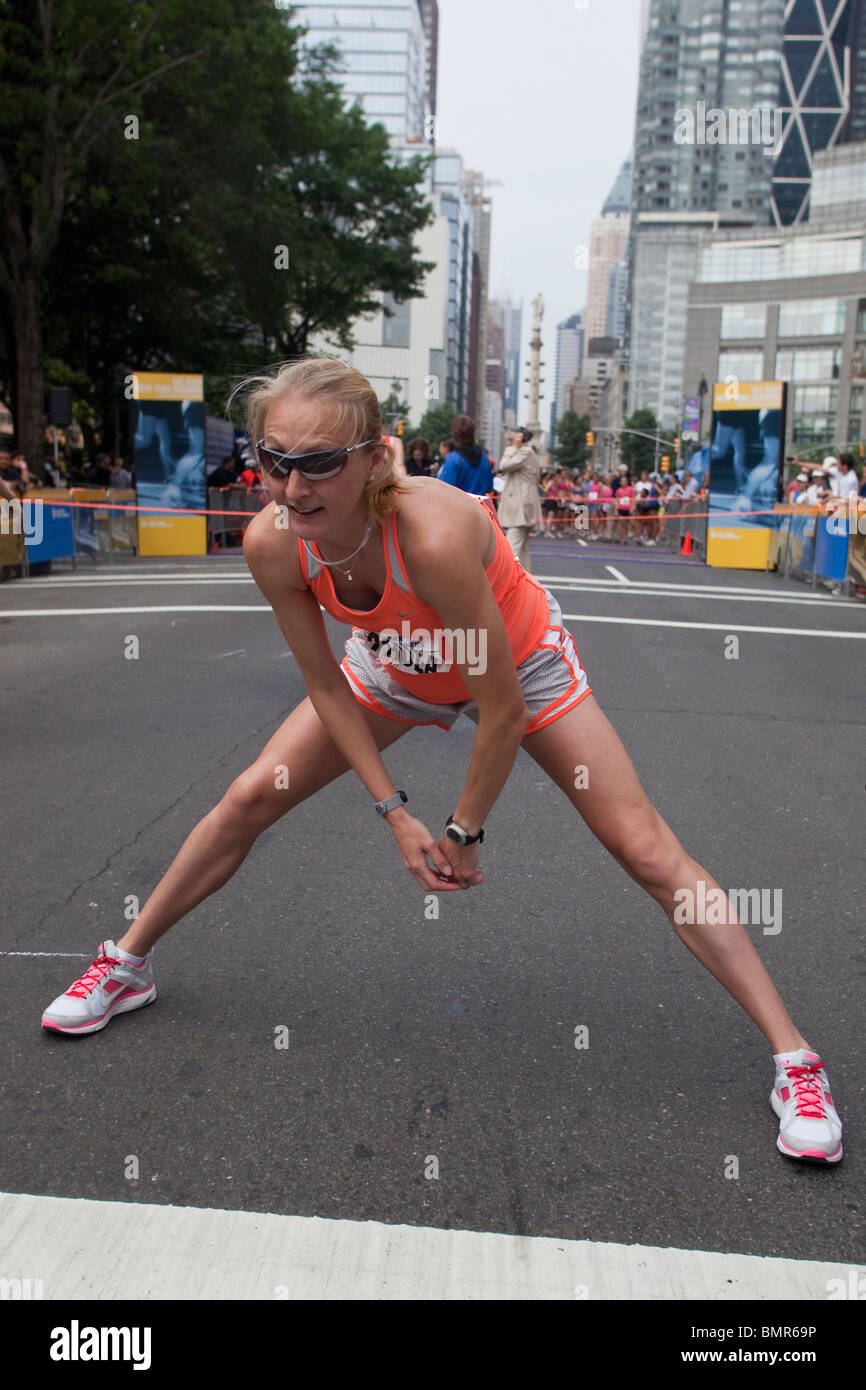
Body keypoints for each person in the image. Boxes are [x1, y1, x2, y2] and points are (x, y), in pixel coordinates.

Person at [39, 356, 844, 1168]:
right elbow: (325, 684)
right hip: (391, 665)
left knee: (644, 848)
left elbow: (503, 707)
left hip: (515, 665)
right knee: (250, 794)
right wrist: (394, 811)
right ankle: (126, 963)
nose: (292, 486)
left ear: (374, 458)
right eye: (274, 460)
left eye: (319, 462)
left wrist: (465, 830)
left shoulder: (433, 531)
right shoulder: (272, 544)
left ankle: (795, 1061)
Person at [495, 426, 541, 571]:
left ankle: (509, 581)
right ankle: (525, 581)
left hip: (520, 505)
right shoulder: (527, 452)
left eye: (512, 438)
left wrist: (513, 447)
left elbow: (504, 465)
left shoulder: (525, 452)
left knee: (511, 547)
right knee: (522, 548)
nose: (510, 441)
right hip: (523, 503)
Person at [438, 416, 494, 496]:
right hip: (479, 506)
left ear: (454, 434)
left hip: (458, 506)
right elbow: (489, 487)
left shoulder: (453, 458)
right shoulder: (484, 458)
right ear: (473, 433)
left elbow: (443, 488)